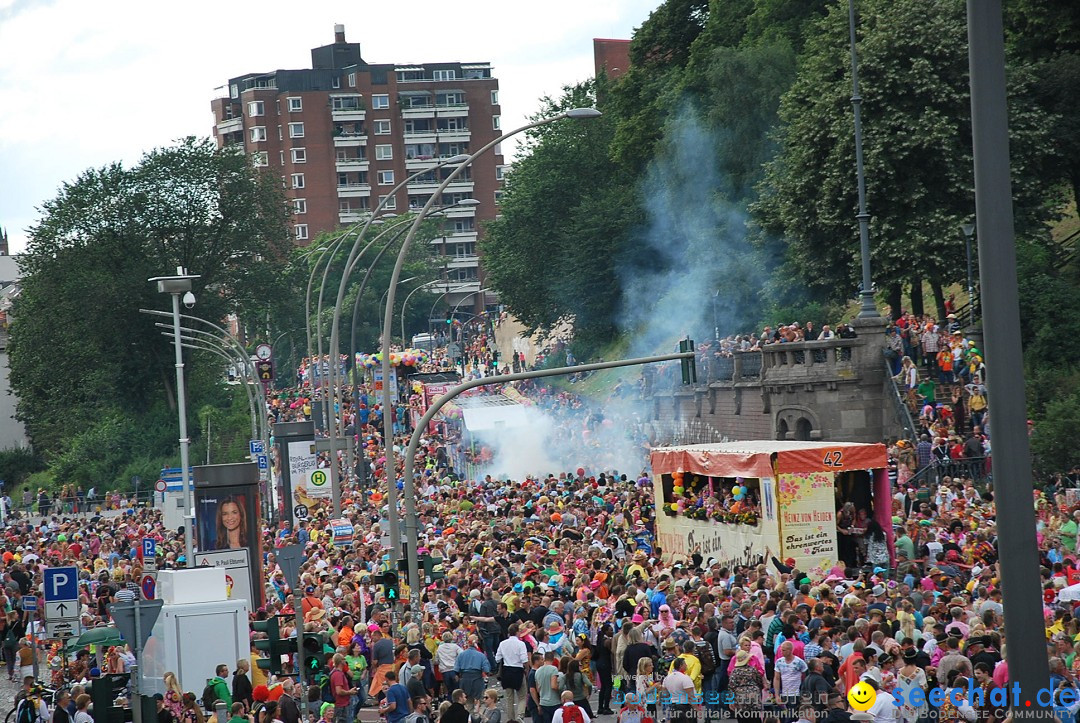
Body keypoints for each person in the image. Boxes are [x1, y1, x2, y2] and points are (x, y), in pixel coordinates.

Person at [495, 622, 530, 723]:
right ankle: (520, 715)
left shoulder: (503, 643)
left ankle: (511, 718)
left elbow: (497, 658)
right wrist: (527, 669)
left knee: (510, 698)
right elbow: (524, 660)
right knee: (522, 696)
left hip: (506, 671)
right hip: (518, 670)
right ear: (517, 632)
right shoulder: (520, 644)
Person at [728, 650, 765, 722]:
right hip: (753, 697)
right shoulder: (753, 670)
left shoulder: (734, 672)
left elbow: (731, 687)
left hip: (740, 698)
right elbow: (760, 682)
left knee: (742, 719)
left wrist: (731, 700)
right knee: (755, 718)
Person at [662, 657, 697, 723]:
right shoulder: (685, 678)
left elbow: (665, 694)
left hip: (673, 706)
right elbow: (690, 696)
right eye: (685, 664)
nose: (686, 665)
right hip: (685, 706)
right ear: (681, 666)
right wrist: (696, 707)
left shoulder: (667, 678)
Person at [329, 654, 358, 723]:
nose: (345, 660)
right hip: (341, 704)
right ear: (341, 661)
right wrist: (350, 692)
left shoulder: (336, 672)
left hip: (342, 703)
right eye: (343, 659)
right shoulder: (338, 674)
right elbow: (339, 691)